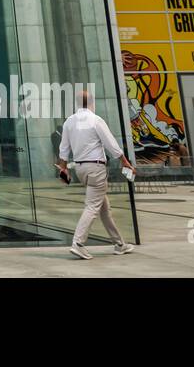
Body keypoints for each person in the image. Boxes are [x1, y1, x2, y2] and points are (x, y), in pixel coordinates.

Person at [56, 90, 136, 260]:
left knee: (104, 208)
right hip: (96, 168)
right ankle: (78, 243)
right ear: (92, 103)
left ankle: (120, 244)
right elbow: (110, 143)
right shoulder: (95, 120)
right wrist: (124, 161)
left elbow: (63, 148)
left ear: (77, 104)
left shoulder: (69, 122)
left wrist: (63, 168)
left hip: (80, 169)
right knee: (92, 206)